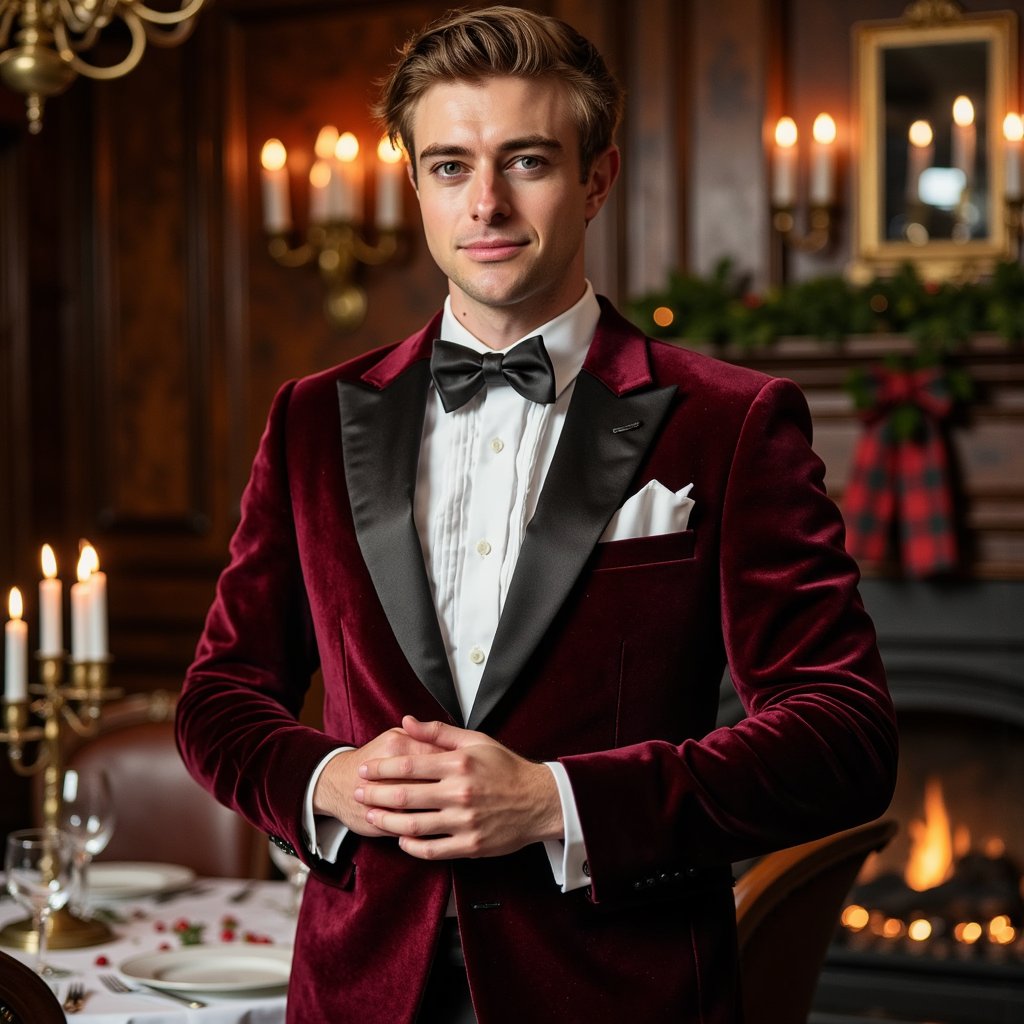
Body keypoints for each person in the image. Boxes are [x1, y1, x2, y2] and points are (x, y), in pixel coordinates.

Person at [176, 6, 898, 1022]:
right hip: (360, 990)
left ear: (595, 178)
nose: (486, 204)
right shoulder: (309, 419)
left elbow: (843, 735)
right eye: (447, 166)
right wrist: (328, 778)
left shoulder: (731, 423)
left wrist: (558, 803)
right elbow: (218, 696)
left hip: (619, 990)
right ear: (414, 183)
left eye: (526, 161)